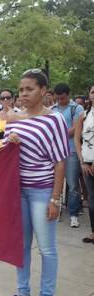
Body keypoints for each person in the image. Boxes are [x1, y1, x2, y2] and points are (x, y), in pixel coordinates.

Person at [3, 69, 69, 296]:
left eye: (29, 89)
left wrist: (55, 198)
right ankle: (22, 292)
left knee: (47, 248)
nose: (23, 94)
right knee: (21, 246)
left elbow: (60, 162)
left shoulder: (54, 120)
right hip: (17, 191)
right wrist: (10, 144)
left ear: (43, 91)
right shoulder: (13, 117)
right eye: (21, 90)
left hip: (42, 192)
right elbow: (4, 154)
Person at [52, 83, 84, 228]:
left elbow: (75, 129)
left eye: (63, 98)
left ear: (68, 95)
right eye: (58, 98)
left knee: (72, 185)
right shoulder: (52, 109)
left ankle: (73, 214)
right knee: (55, 183)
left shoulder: (76, 108)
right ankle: (56, 210)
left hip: (71, 151)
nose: (60, 100)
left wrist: (58, 133)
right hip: (55, 152)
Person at [74, 84, 94, 244]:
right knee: (92, 200)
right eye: (93, 92)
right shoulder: (84, 115)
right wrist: (82, 160)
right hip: (86, 163)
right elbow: (76, 138)